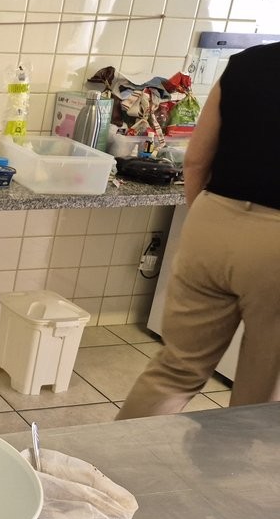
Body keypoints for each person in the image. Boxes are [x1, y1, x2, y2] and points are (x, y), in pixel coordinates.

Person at [116, 40, 280, 419]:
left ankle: (109, 456)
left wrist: (207, 219)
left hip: (212, 223)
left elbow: (195, 161)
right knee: (263, 386)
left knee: (176, 369)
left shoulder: (247, 63)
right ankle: (236, 457)